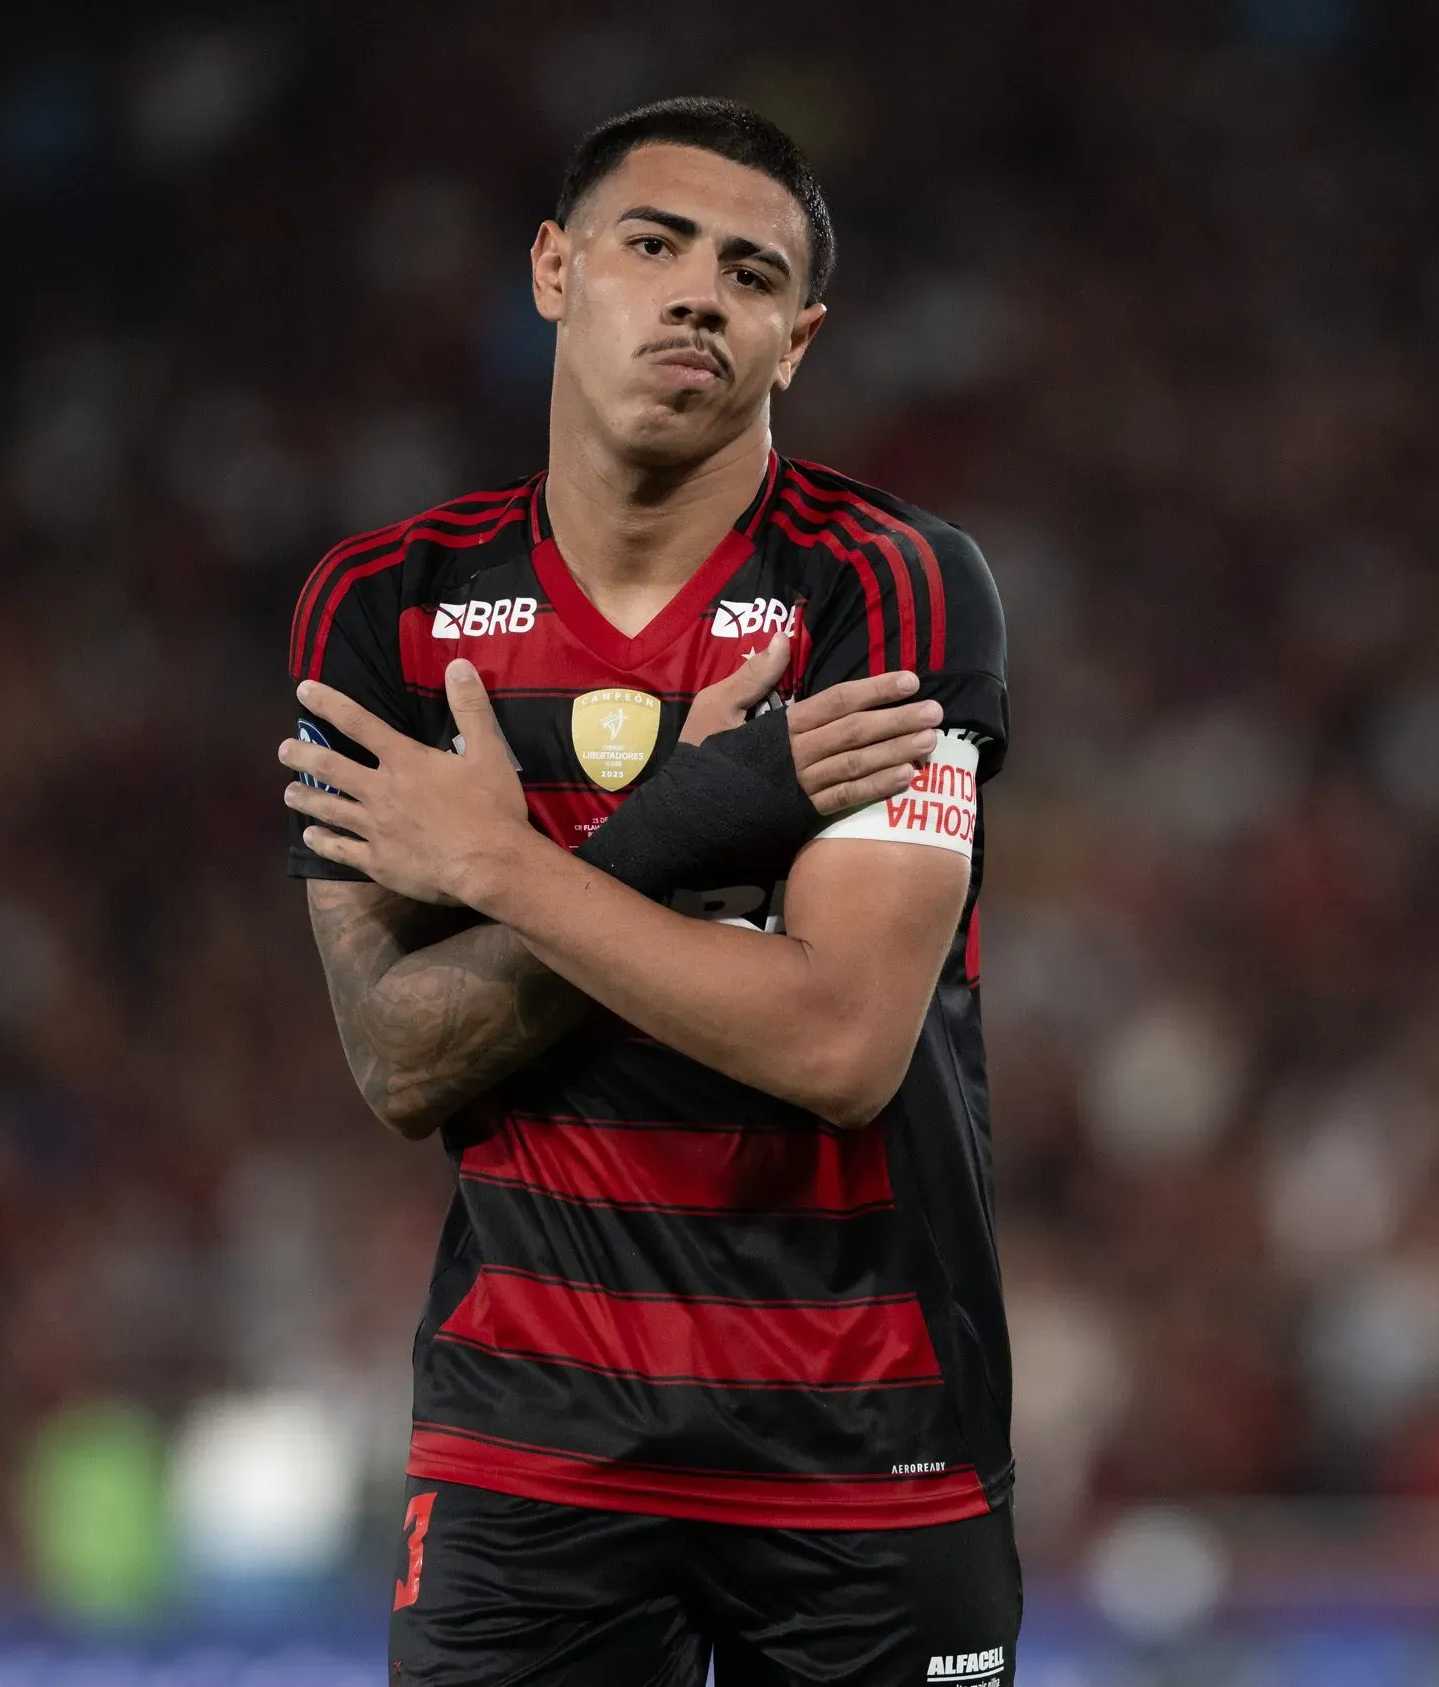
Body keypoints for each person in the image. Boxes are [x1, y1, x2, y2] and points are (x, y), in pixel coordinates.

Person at [276, 96, 1017, 1686]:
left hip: (866, 1444)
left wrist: (498, 865)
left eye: (752, 276)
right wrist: (675, 829)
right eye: (655, 245)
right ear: (555, 268)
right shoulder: (389, 608)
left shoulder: (885, 584)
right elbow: (398, 1056)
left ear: (797, 341)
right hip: (527, 1454)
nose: (699, 295)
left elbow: (839, 1042)